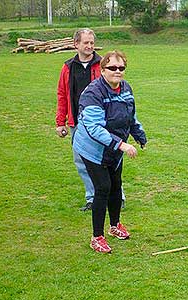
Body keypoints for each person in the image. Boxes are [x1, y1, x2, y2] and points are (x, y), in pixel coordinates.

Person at [72, 50, 147, 253]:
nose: (117, 71)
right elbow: (94, 128)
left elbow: (130, 115)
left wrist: (139, 134)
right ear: (103, 69)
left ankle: (115, 226)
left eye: (121, 68)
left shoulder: (125, 88)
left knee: (116, 185)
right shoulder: (93, 93)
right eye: (112, 68)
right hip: (92, 148)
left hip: (114, 149)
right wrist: (121, 144)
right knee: (103, 187)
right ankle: (97, 237)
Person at [55, 28, 126, 211]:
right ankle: (92, 198)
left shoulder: (103, 64)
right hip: (78, 123)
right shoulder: (68, 67)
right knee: (82, 162)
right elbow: (62, 94)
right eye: (85, 43)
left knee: (110, 161)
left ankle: (117, 197)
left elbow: (118, 89)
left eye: (92, 43)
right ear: (76, 44)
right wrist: (60, 122)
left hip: (102, 122)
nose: (89, 46)